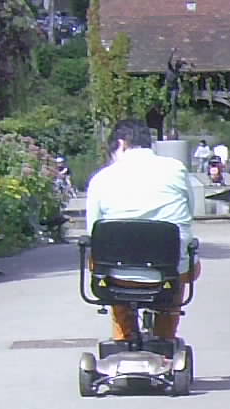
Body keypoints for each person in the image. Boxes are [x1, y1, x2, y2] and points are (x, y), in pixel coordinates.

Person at [83, 118, 199, 347]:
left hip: (118, 275)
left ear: (121, 144)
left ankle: (123, 337)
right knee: (182, 263)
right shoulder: (176, 170)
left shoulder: (101, 179)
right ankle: (166, 337)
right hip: (168, 271)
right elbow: (190, 212)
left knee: (105, 265)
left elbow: (93, 230)